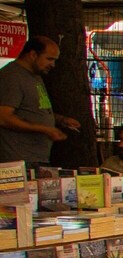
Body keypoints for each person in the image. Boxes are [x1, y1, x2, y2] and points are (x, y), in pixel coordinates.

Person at [0, 36, 82, 167]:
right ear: (33, 54)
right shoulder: (12, 77)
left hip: (36, 157)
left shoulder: (35, 76)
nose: (53, 65)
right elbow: (4, 117)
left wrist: (61, 120)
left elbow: (34, 110)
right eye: (49, 59)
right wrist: (44, 129)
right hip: (17, 160)